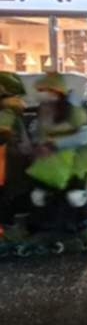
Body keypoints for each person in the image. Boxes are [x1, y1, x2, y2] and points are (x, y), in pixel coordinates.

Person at [23, 74, 87, 254]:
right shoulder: (44, 110)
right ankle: (49, 234)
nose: (42, 95)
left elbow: (85, 136)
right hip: (49, 167)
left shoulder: (74, 111)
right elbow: (40, 134)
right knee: (40, 197)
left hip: (75, 164)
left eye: (45, 91)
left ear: (56, 92)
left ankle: (81, 234)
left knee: (75, 197)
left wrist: (56, 144)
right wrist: (35, 147)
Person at [0, 72, 31, 243]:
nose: (21, 101)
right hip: (7, 166)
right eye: (17, 96)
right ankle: (9, 234)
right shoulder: (7, 113)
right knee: (7, 201)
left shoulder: (10, 112)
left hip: (10, 165)